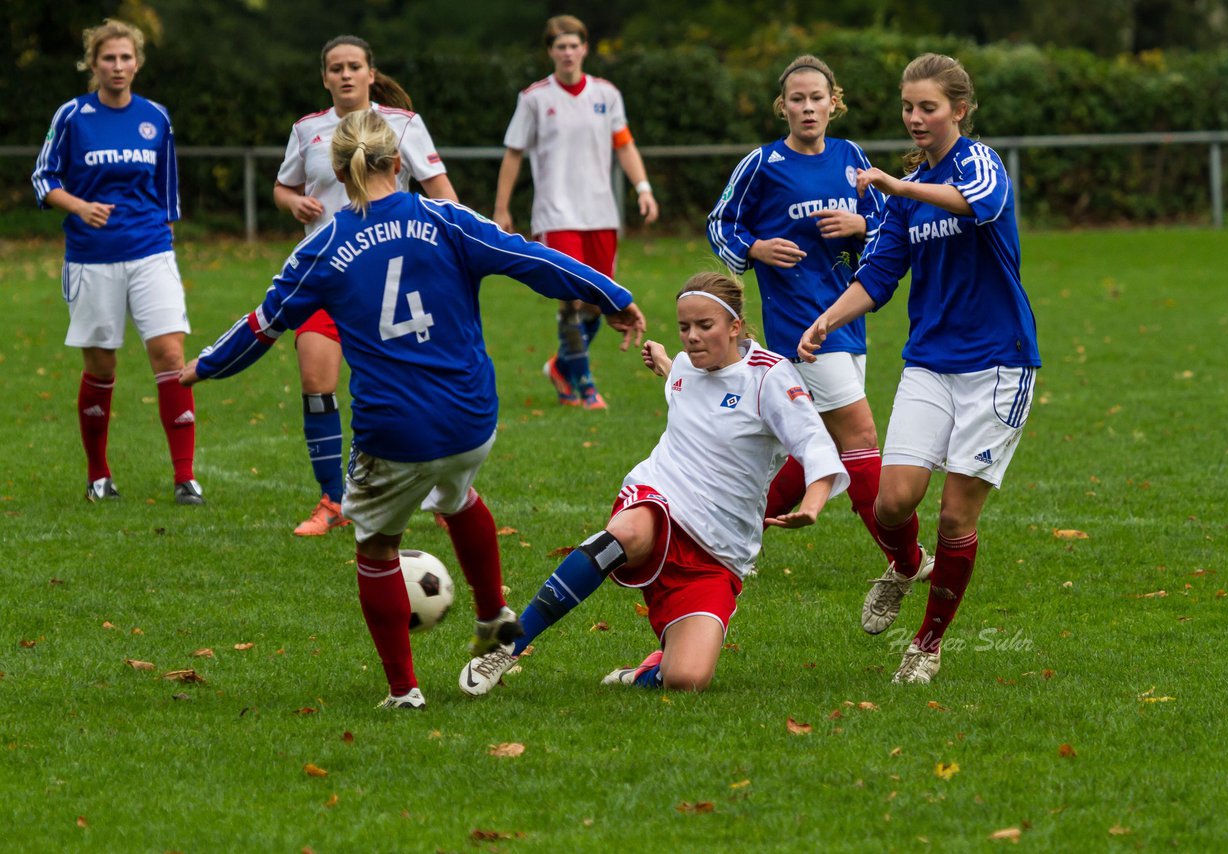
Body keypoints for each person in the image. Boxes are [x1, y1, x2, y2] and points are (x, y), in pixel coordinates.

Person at [180, 109, 644, 709]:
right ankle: (491, 611)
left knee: (375, 544)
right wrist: (614, 296)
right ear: (399, 164)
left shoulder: (322, 247)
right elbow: (535, 260)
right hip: (471, 417)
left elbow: (262, 326)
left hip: (394, 431)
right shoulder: (448, 219)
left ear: (339, 173)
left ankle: (404, 692)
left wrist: (203, 368)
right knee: (458, 495)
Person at [460, 272, 848, 695]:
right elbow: (687, 385)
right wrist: (664, 360)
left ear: (735, 326)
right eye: (684, 327)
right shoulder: (685, 366)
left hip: (720, 547)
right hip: (660, 496)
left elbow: (814, 442)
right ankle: (510, 644)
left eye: (705, 326)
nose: (692, 338)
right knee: (624, 533)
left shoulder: (770, 377)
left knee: (687, 679)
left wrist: (813, 500)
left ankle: (648, 672)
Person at [798, 53, 1040, 684]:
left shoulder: (976, 165)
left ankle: (926, 646)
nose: (915, 118)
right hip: (930, 362)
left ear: (959, 110)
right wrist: (827, 319)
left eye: (928, 107)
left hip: (998, 365)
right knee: (890, 502)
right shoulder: (903, 195)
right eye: (908, 107)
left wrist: (900, 187)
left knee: (956, 516)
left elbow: (972, 203)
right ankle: (906, 566)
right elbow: (879, 273)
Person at [707, 54, 907, 578]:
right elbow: (719, 223)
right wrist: (755, 249)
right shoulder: (762, 163)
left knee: (821, 444)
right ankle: (904, 562)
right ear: (783, 107)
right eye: (797, 99)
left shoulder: (852, 156)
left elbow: (888, 226)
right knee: (860, 438)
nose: (808, 107)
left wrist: (859, 223)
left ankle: (730, 535)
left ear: (834, 103)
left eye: (817, 97)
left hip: (848, 317)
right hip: (800, 325)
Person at [274, 34, 459, 536]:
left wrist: (452, 252)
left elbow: (441, 193)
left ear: (371, 73)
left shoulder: (401, 125)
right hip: (324, 279)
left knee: (415, 386)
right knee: (317, 383)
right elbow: (284, 186)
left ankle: (447, 495)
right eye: (336, 68)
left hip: (390, 282)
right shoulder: (308, 130)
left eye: (355, 65)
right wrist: (293, 204)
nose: (346, 74)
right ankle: (332, 500)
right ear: (325, 77)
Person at [31, 19, 203, 506]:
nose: (118, 66)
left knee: (171, 356)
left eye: (126, 58)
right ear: (93, 63)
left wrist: (165, 239)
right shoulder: (72, 115)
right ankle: (98, 476)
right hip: (92, 257)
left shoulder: (156, 117)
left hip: (151, 251)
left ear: (138, 62)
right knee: (102, 366)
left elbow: (168, 190)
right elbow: (44, 178)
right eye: (108, 58)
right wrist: (80, 207)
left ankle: (185, 478)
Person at [493, 14, 659, 411]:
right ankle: (585, 387)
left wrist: (644, 188)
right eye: (559, 46)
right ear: (550, 52)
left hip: (601, 214)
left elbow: (624, 145)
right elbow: (513, 154)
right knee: (570, 298)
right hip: (556, 215)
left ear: (585, 48)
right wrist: (502, 208)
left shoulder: (606, 94)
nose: (567, 53)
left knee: (598, 301)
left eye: (573, 45)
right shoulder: (534, 98)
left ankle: (560, 366)